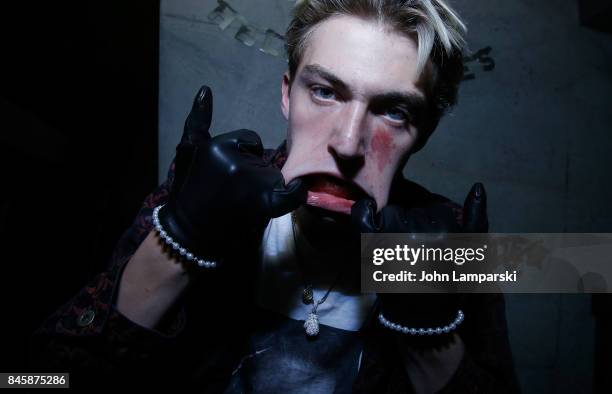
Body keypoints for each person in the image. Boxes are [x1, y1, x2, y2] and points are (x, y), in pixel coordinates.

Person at [31, 0, 520, 392]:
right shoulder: (205, 193)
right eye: (325, 92)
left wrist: (429, 331)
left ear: (425, 131)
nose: (347, 144)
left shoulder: (450, 241)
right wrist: (177, 244)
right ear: (288, 93)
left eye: (393, 112)